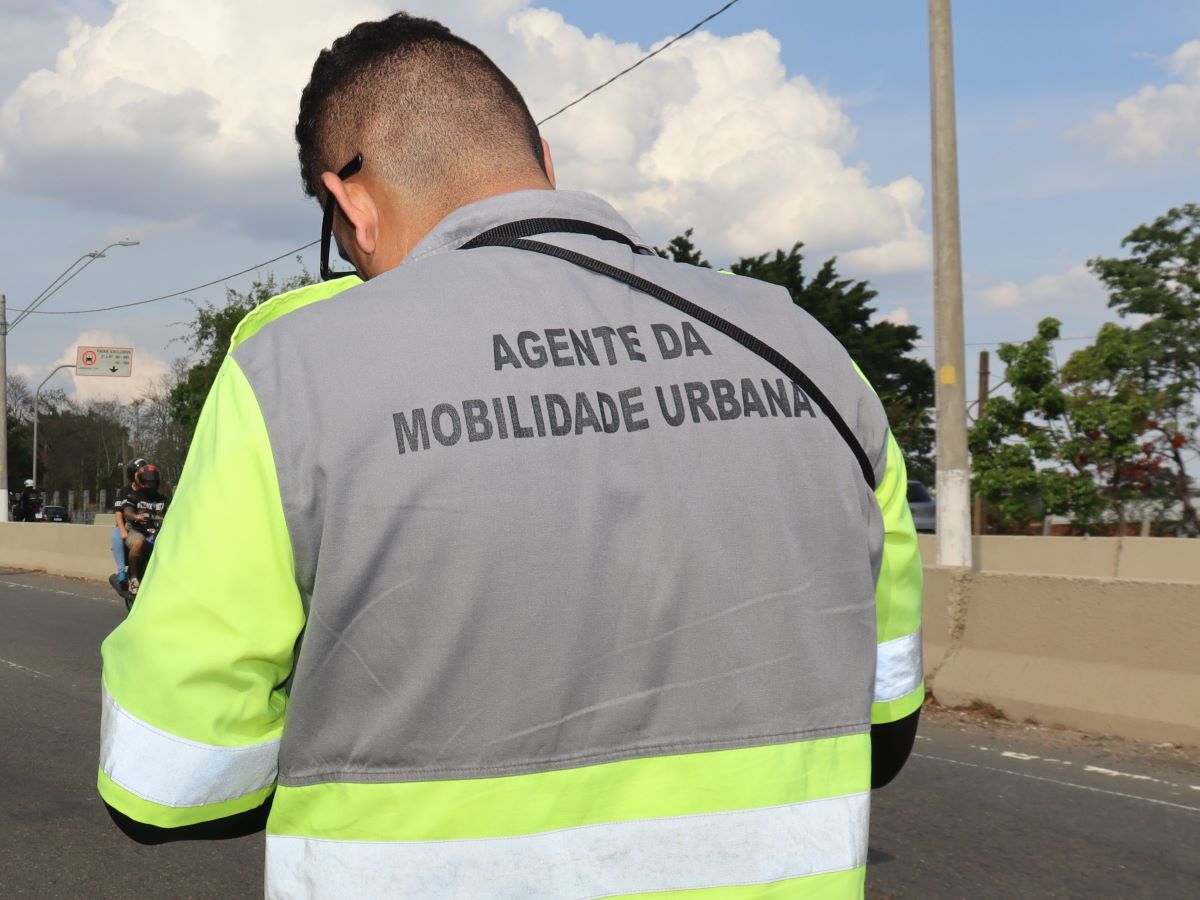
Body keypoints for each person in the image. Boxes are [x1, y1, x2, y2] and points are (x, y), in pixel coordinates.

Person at [98, 13, 922, 898]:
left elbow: (165, 783)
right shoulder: (807, 355)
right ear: (544, 166)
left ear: (352, 209)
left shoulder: (295, 373)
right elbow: (884, 725)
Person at [118, 464, 169, 596]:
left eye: (152, 481)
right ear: (140, 481)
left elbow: (174, 512)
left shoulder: (163, 499)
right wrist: (136, 516)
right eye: (147, 481)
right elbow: (127, 512)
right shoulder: (132, 497)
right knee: (138, 543)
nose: (149, 484)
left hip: (159, 533)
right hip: (137, 531)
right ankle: (133, 579)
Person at [109, 458, 147, 597]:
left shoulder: (149, 490)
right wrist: (123, 530)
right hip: (128, 526)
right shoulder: (125, 492)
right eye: (140, 473)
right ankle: (121, 572)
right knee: (117, 534)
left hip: (146, 527)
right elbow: (119, 512)